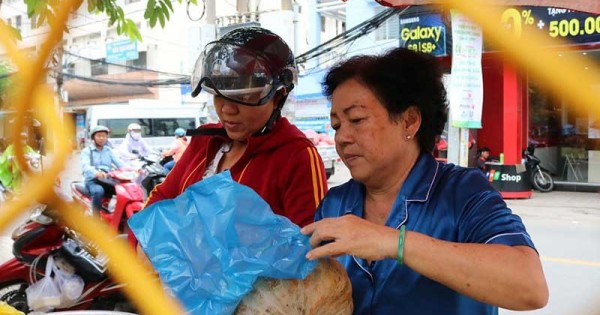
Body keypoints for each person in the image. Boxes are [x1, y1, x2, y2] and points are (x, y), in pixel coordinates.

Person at [300, 48, 548, 314]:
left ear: (409, 122)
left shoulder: (462, 193)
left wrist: (393, 242)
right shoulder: (335, 205)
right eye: (337, 125)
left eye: (357, 120)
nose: (342, 137)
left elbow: (530, 287)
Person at [145, 27, 328, 227]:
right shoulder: (204, 141)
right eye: (218, 95)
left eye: (243, 97)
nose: (226, 110)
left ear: (278, 96)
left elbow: (311, 244)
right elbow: (161, 199)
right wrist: (140, 246)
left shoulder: (297, 155)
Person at [81, 125, 126, 213]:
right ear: (93, 137)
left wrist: (133, 170)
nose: (101, 138)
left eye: (104, 136)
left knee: (124, 191)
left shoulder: (108, 150)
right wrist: (96, 173)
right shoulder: (87, 151)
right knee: (98, 191)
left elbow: (120, 163)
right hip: (92, 180)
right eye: (99, 136)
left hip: (107, 180)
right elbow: (85, 166)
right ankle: (96, 219)